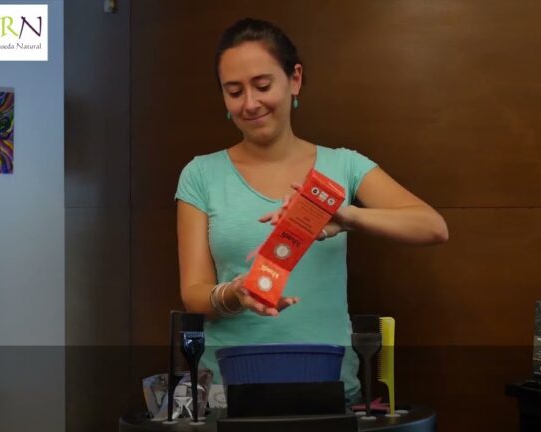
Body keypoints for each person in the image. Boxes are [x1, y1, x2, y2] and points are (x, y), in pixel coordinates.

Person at [175, 17, 448, 403]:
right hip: (229, 391)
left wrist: (347, 216)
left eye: (262, 86)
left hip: (329, 387)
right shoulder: (200, 174)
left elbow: (432, 226)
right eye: (234, 91)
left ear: (295, 79)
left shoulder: (344, 166)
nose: (249, 103)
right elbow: (194, 294)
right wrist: (233, 294)